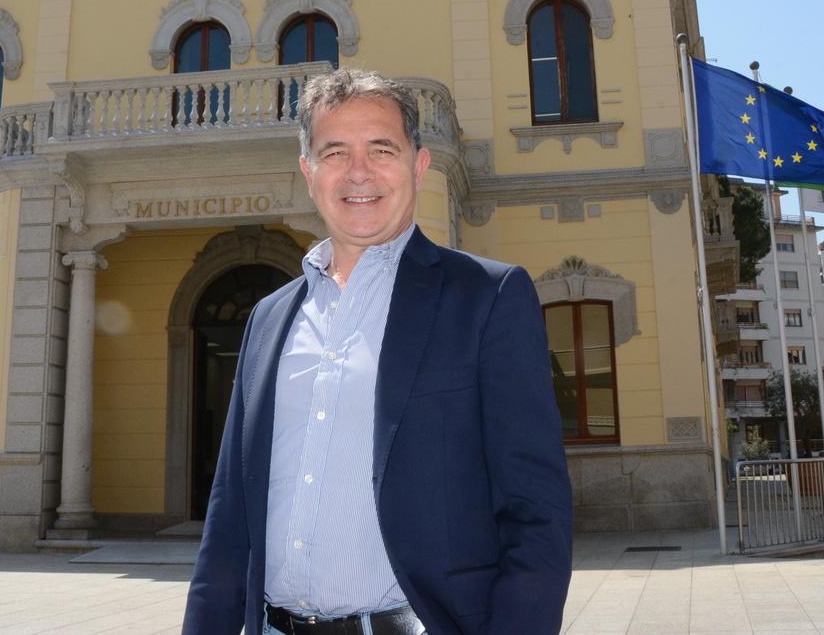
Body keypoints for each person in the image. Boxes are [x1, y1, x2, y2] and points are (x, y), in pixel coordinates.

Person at [184, 69, 573, 635]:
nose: (358, 171)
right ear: (308, 172)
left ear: (418, 165)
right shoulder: (268, 318)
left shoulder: (486, 299)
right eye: (334, 151)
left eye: (381, 149)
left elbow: (537, 513)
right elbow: (228, 520)